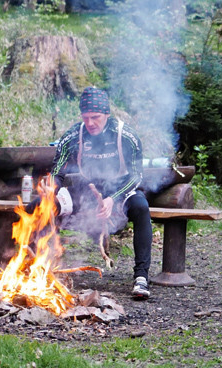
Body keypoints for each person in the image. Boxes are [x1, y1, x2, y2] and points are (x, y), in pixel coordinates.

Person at [53, 86, 154, 300]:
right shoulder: (74, 134)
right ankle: (44, 268)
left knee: (141, 208)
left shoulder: (125, 135)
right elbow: (58, 168)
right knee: (45, 205)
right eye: (86, 117)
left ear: (106, 114)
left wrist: (113, 199)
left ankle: (141, 277)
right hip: (85, 191)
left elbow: (137, 176)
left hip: (121, 189)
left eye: (95, 117)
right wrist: (50, 189)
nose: (90, 123)